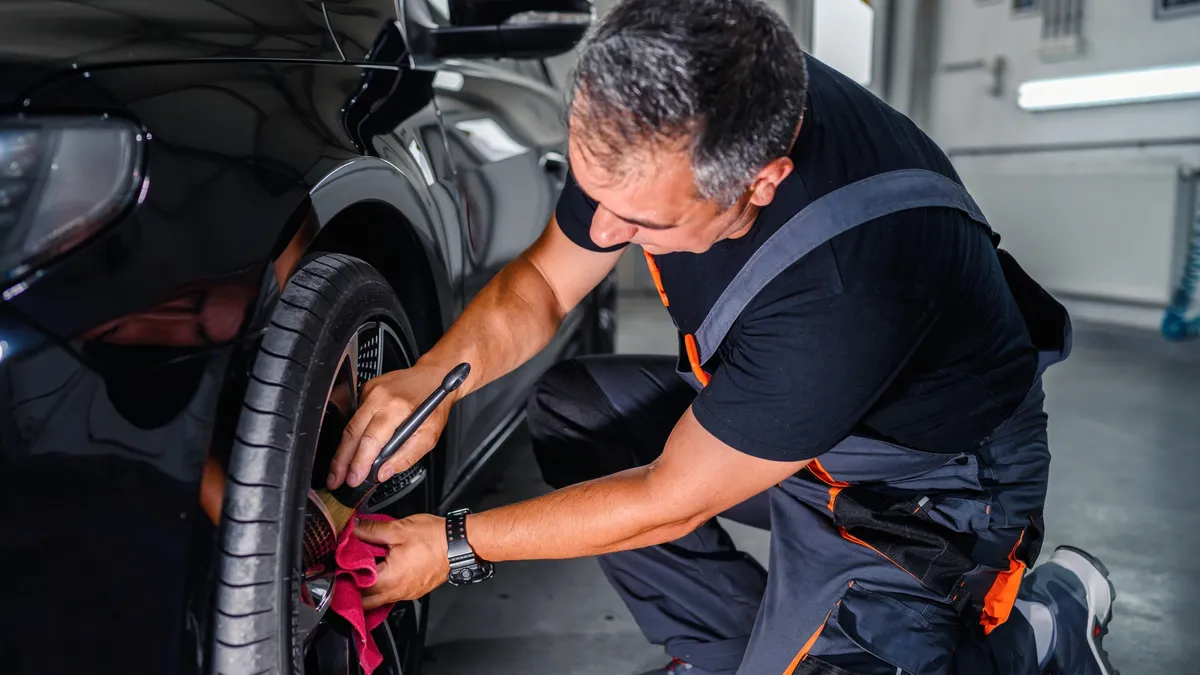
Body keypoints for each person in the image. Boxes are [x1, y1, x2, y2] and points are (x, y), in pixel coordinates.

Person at [327, 1, 1120, 673]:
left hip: (924, 493)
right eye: (595, 193)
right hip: (788, 429)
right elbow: (540, 283)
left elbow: (666, 501)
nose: (603, 231)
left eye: (642, 222)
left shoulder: (845, 286)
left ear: (761, 179)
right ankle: (729, 651)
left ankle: (1036, 629)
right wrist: (436, 377)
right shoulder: (659, 117)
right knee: (579, 408)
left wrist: (455, 544)